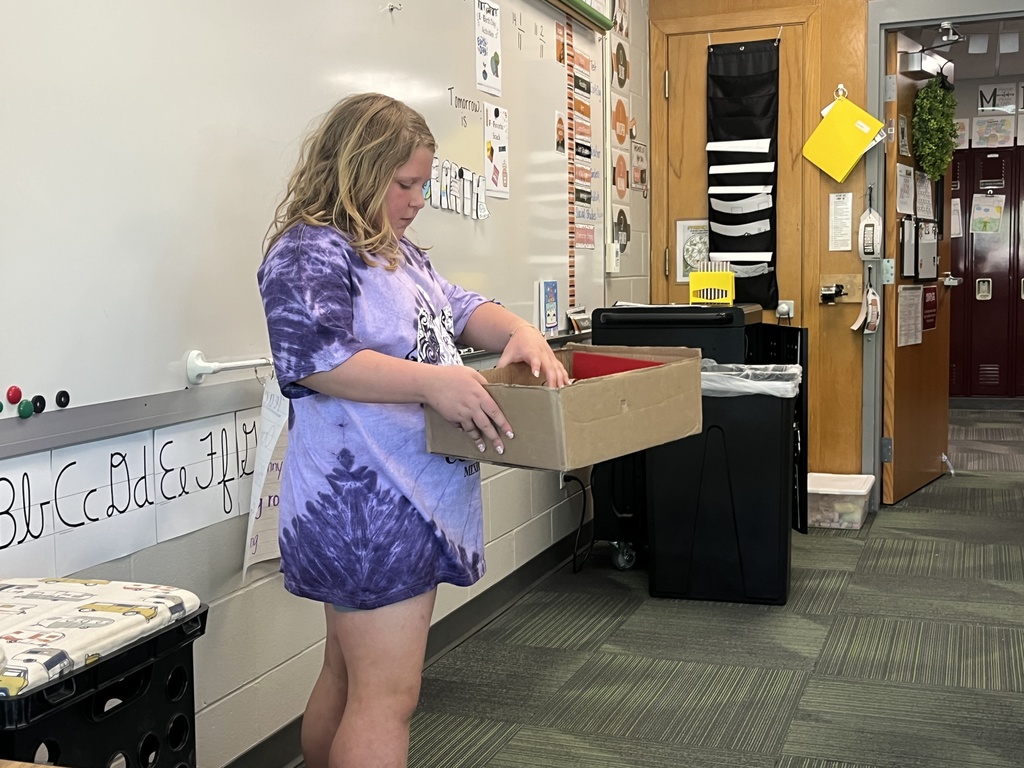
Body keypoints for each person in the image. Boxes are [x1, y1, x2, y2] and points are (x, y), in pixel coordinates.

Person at [257, 92, 569, 768]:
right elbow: (317, 360)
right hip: (363, 509)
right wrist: (433, 382)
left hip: (404, 502)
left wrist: (518, 329)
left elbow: (460, 309)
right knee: (385, 699)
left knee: (349, 679)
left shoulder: (396, 253)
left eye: (423, 183)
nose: (418, 198)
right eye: (405, 183)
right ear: (357, 173)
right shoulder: (309, 252)